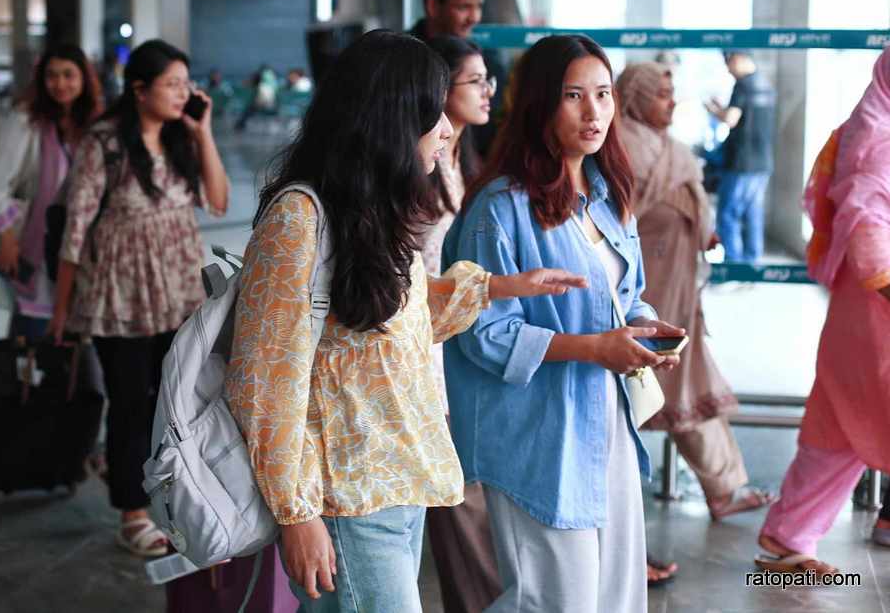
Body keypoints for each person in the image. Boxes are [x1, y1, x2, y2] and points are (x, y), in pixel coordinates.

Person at [224, 30, 585, 612]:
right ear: (389, 118)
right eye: (432, 112)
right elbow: (264, 381)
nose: (447, 129)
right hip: (345, 500)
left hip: (396, 486)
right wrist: (298, 514)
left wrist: (495, 288)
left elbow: (400, 329)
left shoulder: (375, 211)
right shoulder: (299, 218)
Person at [444, 34, 686, 613]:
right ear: (539, 106)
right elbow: (482, 332)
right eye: (574, 96)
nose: (594, 111)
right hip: (539, 436)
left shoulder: (607, 196)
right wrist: (593, 348)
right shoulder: (500, 209)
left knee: (618, 597)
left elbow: (628, 297)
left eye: (602, 94)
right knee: (555, 601)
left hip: (607, 420)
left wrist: (645, 329)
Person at [50, 39, 229, 558]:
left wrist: (203, 131)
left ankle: (177, 497)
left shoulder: (181, 139)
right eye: (172, 84)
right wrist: (62, 309)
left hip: (176, 293)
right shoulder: (104, 143)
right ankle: (131, 511)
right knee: (130, 403)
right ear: (139, 89)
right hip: (119, 297)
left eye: (185, 83)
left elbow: (217, 201)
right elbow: (75, 230)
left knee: (176, 401)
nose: (183, 94)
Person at [617, 62, 775, 586]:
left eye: (671, 94)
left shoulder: (667, 147)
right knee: (628, 404)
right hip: (641, 295)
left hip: (678, 289)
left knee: (685, 382)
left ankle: (723, 488)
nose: (669, 103)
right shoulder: (619, 148)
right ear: (635, 98)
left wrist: (700, 231)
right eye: (659, 94)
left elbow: (687, 204)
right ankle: (629, 534)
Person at [755, 48, 890, 574]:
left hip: (865, 311)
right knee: (849, 415)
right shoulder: (876, 140)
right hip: (878, 306)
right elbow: (867, 227)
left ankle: (788, 536)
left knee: (839, 423)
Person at [419, 35, 502, 613]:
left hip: (451, 338)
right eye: (475, 81)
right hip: (420, 343)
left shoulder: (460, 158)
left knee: (461, 483)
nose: (488, 92)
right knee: (455, 485)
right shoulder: (415, 160)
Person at [0, 43, 103, 340]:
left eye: (69, 75)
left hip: (80, 247)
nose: (60, 84)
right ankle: (22, 385)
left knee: (73, 338)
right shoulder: (26, 121)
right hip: (36, 246)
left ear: (84, 78)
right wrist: (6, 237)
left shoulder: (95, 126)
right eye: (52, 76)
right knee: (30, 334)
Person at [407, 0, 507, 155]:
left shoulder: (487, 62)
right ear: (433, 7)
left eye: (478, 7)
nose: (475, 18)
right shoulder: (403, 60)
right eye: (464, 7)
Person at [704, 50, 777, 264]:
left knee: (728, 214)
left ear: (740, 58)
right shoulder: (765, 84)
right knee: (753, 213)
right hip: (763, 162)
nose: (728, 68)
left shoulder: (743, 85)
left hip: (741, 163)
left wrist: (712, 110)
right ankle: (752, 265)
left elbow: (731, 119)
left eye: (729, 61)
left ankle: (734, 266)